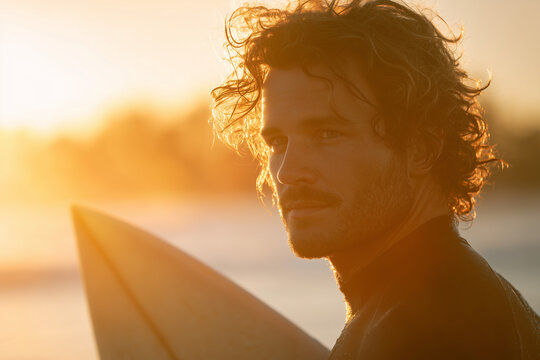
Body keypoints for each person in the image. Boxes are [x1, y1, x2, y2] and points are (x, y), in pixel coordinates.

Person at [211, 0, 540, 358]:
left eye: (326, 134)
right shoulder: (436, 301)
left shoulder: (430, 330)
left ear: (421, 149)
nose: (288, 172)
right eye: (277, 142)